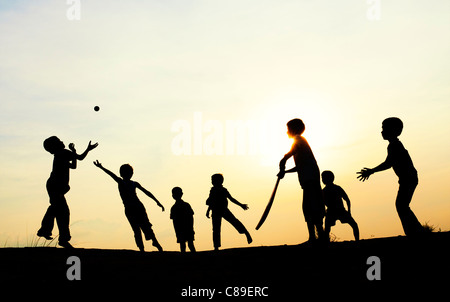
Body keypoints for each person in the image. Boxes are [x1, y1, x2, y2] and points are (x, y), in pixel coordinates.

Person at [357, 117, 424, 237]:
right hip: (407, 179)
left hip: (408, 178)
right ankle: (416, 231)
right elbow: (390, 162)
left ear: (394, 130)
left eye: (384, 128)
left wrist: (372, 171)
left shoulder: (395, 146)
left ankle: (416, 232)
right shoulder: (394, 145)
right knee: (402, 205)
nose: (382, 131)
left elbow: (389, 163)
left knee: (401, 205)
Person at [37, 136, 98, 248]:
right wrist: (87, 150)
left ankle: (56, 235)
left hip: (54, 186)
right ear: (55, 145)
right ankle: (50, 232)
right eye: (59, 141)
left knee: (62, 211)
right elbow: (80, 158)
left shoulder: (61, 155)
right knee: (58, 209)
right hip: (55, 186)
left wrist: (74, 152)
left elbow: (73, 166)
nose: (62, 141)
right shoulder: (63, 153)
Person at [93, 160, 164, 252]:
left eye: (130, 172)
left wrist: (157, 201)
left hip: (138, 207)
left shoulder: (134, 183)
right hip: (130, 209)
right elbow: (111, 174)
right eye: (128, 172)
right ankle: (142, 248)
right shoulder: (121, 182)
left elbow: (147, 192)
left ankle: (155, 242)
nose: (130, 174)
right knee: (137, 229)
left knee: (146, 226)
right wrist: (101, 167)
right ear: (123, 174)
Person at [278, 118, 325, 243]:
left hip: (311, 180)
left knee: (310, 207)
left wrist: (284, 159)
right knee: (310, 207)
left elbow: (293, 152)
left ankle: (316, 238)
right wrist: (284, 171)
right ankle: (317, 237)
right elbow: (300, 166)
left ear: (293, 129)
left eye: (288, 129)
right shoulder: (299, 142)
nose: (287, 132)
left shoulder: (299, 140)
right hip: (309, 180)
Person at [206, 173, 252, 250]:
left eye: (213, 180)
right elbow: (211, 201)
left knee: (234, 222)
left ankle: (246, 233)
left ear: (219, 181)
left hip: (223, 210)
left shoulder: (223, 190)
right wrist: (208, 211)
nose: (212, 182)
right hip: (215, 211)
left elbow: (231, 199)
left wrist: (241, 205)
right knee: (216, 229)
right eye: (212, 180)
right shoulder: (212, 190)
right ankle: (216, 247)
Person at [321, 170, 359, 241]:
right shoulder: (330, 189)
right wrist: (349, 211)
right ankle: (357, 241)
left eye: (323, 178)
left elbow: (347, 200)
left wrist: (349, 212)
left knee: (354, 225)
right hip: (335, 211)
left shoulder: (327, 190)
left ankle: (357, 241)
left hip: (338, 211)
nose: (322, 180)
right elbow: (347, 200)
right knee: (354, 225)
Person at [170, 187, 196, 252]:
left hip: (182, 229)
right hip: (184, 229)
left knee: (185, 245)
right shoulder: (185, 205)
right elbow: (191, 218)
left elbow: (174, 221)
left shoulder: (174, 207)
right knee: (188, 244)